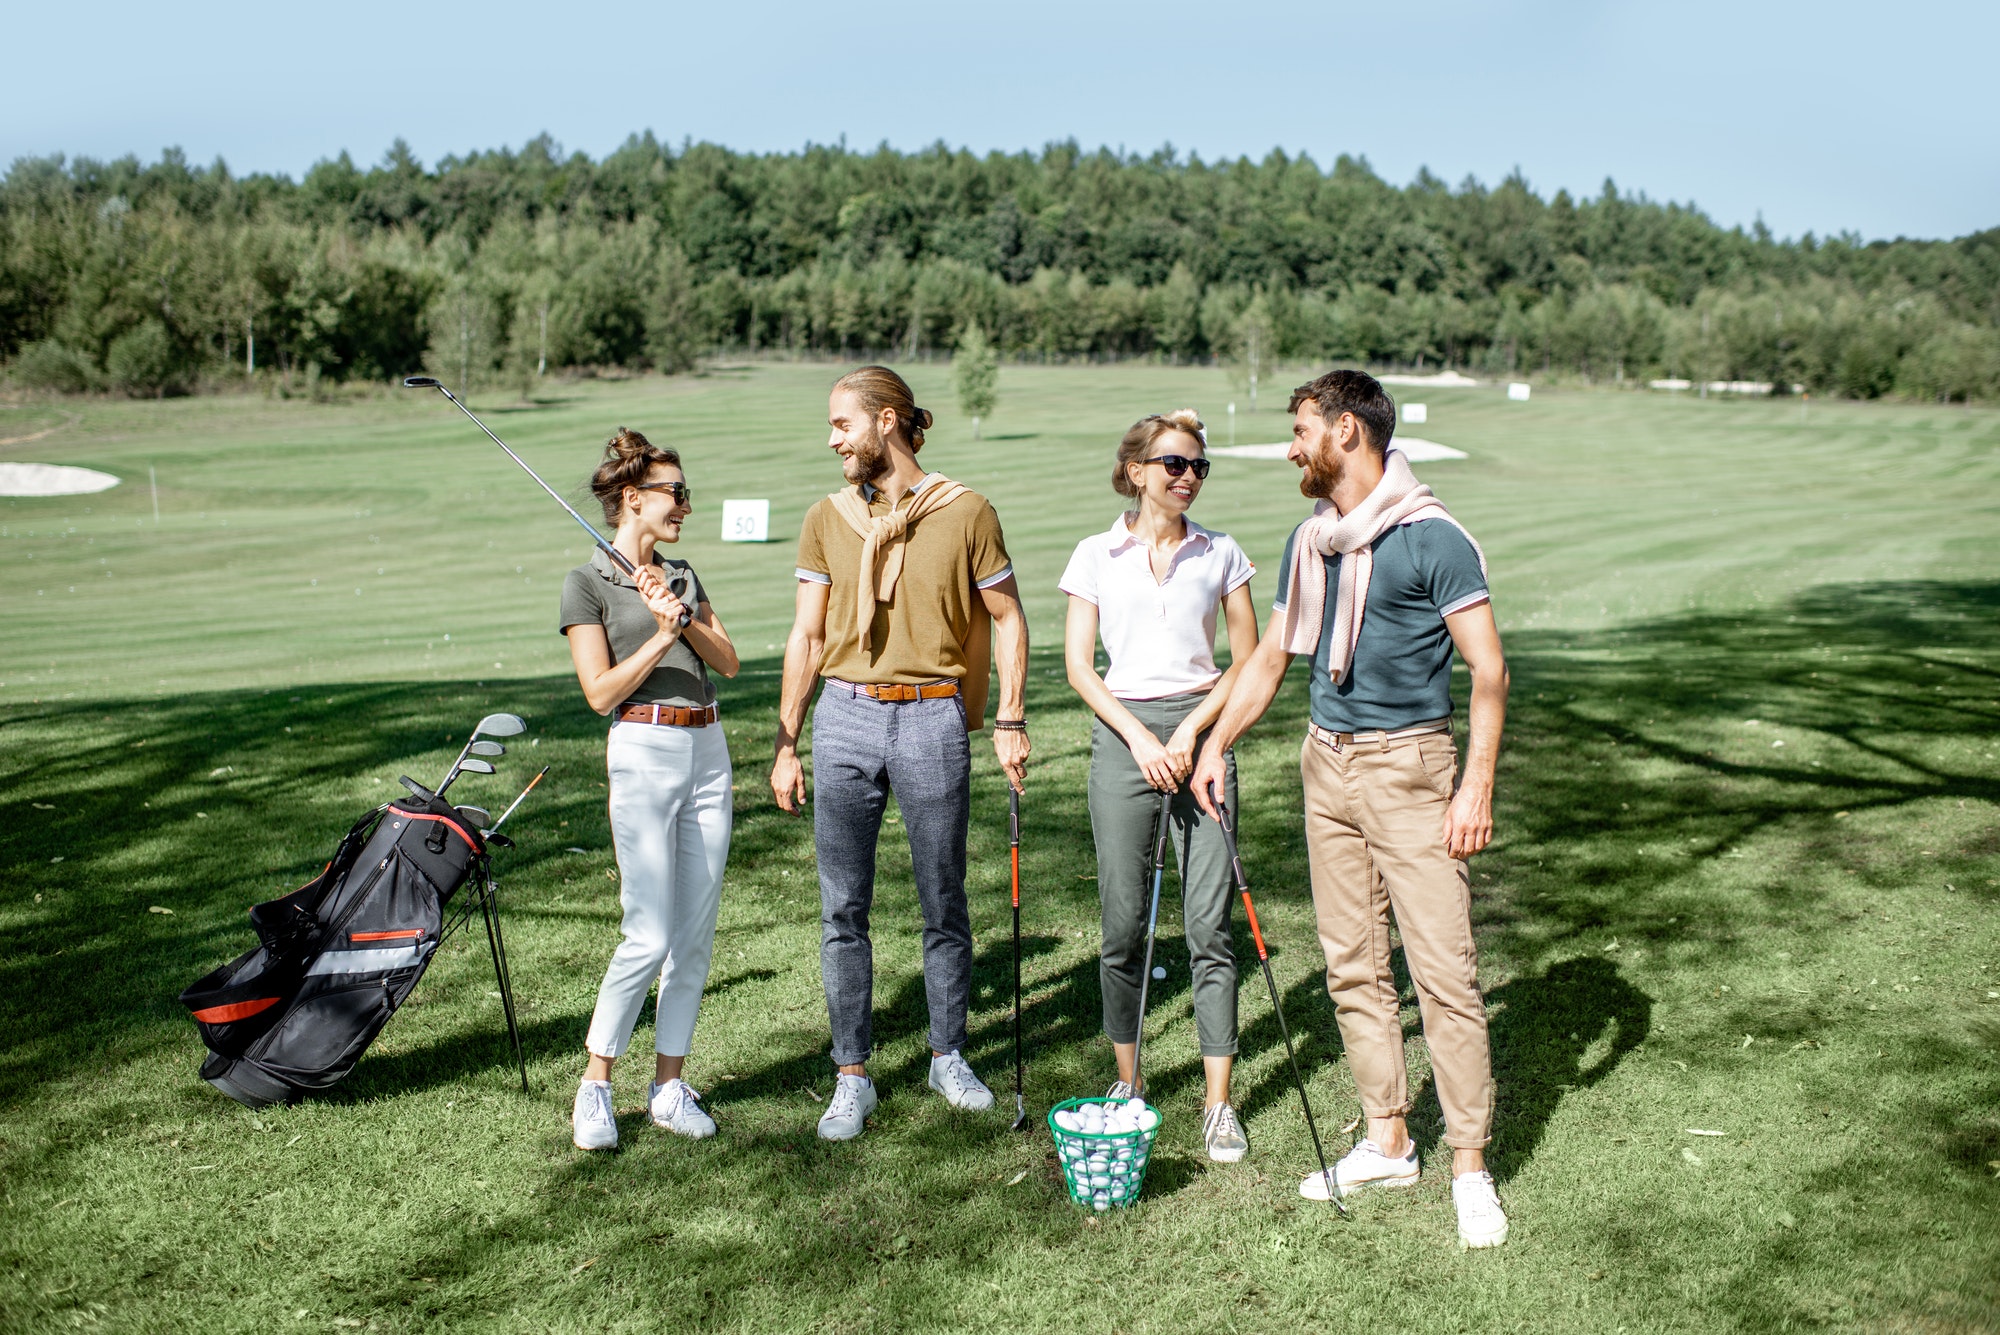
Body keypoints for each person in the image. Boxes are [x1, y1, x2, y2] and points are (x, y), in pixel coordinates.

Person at [1191, 370, 1512, 1249]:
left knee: (1443, 975)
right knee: (1353, 965)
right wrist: (1217, 744)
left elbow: (1488, 668)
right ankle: (1388, 1139)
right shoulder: (1314, 538)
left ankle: (1471, 1167)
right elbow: (1271, 660)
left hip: (1412, 768)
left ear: (1346, 433)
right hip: (1325, 764)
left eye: (1301, 430)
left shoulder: (1434, 539)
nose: (1292, 447)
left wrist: (1474, 786)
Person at [770, 365, 1031, 1141]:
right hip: (843, 716)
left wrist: (1010, 716)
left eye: (842, 424)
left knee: (943, 897)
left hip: (932, 719)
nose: (831, 439)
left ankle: (947, 1052)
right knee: (842, 906)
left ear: (887, 421)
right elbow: (807, 635)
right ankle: (852, 1073)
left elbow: (1009, 619)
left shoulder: (967, 511)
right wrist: (786, 740)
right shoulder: (827, 517)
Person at [1058, 409, 1261, 1163]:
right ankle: (1130, 1082)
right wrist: (1142, 737)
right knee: (1121, 928)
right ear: (1137, 470)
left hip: (1201, 737)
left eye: (1198, 467)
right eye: (1174, 464)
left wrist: (1190, 734)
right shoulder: (1094, 554)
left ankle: (1217, 1103)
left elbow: (1246, 658)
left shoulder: (1221, 551)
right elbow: (1080, 665)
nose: (1188, 478)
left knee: (1209, 925)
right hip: (1123, 739)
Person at [560, 428, 741, 1152]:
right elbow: (599, 692)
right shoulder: (586, 582)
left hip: (708, 747)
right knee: (650, 931)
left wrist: (683, 613)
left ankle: (668, 1086)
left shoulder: (683, 574)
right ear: (633, 499)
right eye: (675, 494)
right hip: (643, 746)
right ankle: (595, 1086)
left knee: (693, 936)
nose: (686, 506)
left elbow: (728, 661)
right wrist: (660, 637)